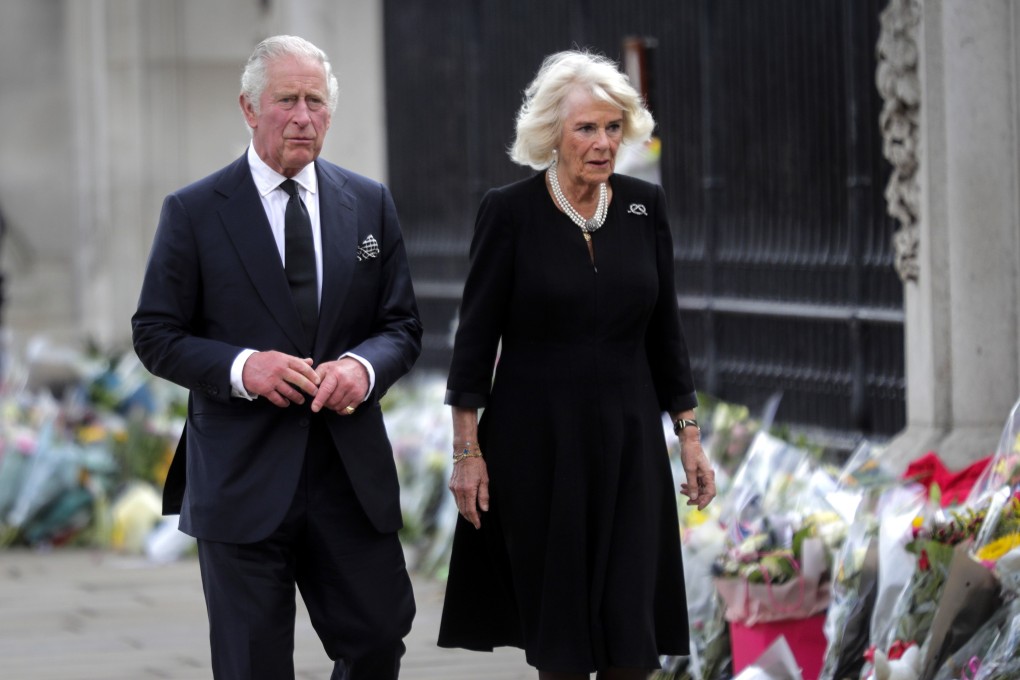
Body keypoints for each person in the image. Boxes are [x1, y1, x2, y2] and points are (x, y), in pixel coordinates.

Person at [132, 35, 421, 680]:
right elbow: (155, 333)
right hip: (241, 477)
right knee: (253, 665)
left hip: (349, 477)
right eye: (286, 100)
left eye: (315, 102)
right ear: (249, 107)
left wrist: (362, 368)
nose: (302, 117)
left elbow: (400, 324)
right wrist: (243, 368)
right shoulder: (195, 211)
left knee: (378, 639)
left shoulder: (368, 202)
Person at [437, 50, 717, 679]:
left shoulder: (645, 208)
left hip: (627, 447)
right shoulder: (508, 213)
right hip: (538, 449)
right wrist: (466, 451)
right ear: (551, 135)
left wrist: (689, 435)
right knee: (561, 645)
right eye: (586, 128)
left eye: (613, 127)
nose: (602, 142)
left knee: (630, 637)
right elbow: (475, 344)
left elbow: (664, 331)